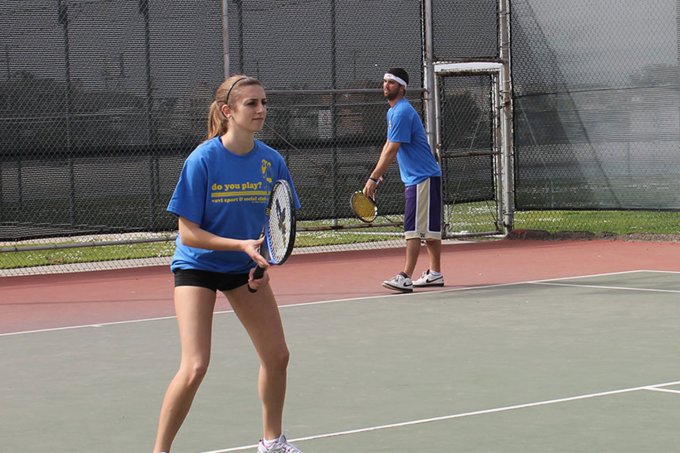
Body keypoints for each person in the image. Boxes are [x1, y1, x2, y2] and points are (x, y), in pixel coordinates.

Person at [153, 75, 302, 453]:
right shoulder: (202, 160)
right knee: (195, 366)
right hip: (197, 267)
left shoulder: (272, 161)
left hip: (243, 267)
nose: (261, 110)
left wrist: (263, 264)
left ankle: (272, 442)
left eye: (263, 102)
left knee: (277, 356)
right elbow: (188, 233)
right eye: (251, 103)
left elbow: (276, 222)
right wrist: (239, 245)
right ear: (227, 111)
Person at [364, 67, 444, 293]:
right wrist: (378, 174)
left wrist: (373, 177)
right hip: (423, 176)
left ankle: (405, 276)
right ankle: (435, 273)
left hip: (422, 177)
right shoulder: (394, 112)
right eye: (384, 81)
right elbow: (388, 145)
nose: (385, 85)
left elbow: (393, 148)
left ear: (402, 87)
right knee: (429, 230)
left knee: (413, 229)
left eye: (391, 82)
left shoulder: (401, 112)